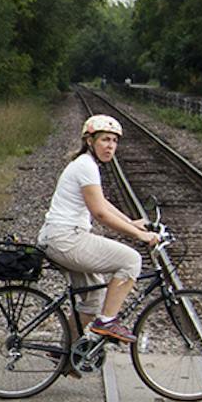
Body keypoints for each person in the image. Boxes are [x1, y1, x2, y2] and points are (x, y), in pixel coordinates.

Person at [36, 114, 159, 343]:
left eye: (114, 141)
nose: (110, 146)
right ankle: (107, 322)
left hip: (60, 237)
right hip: (67, 239)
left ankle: (67, 353)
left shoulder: (86, 164)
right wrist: (140, 235)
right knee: (131, 260)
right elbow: (100, 213)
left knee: (93, 299)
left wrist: (131, 222)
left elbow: (102, 202)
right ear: (90, 141)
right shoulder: (86, 166)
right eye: (105, 140)